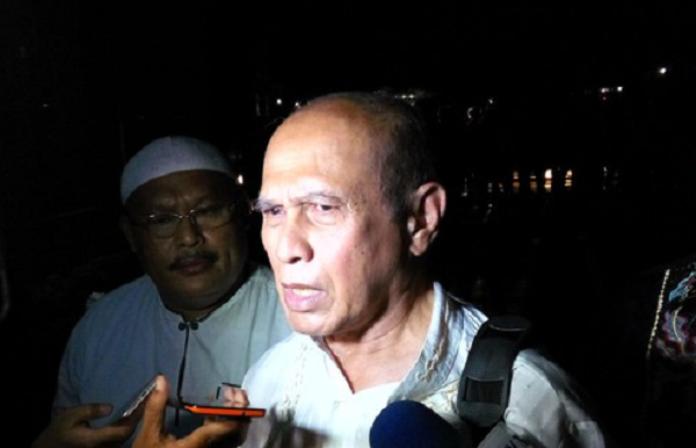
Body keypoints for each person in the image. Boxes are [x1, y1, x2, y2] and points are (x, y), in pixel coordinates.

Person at [134, 93, 607, 447]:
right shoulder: (271, 378)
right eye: (273, 211)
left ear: (420, 219)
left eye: (322, 207)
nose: (286, 247)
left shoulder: (528, 403)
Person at [33, 136, 291, 447]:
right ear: (131, 236)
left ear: (243, 214)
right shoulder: (98, 328)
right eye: (162, 220)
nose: (189, 237)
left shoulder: (301, 321)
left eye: (208, 211)